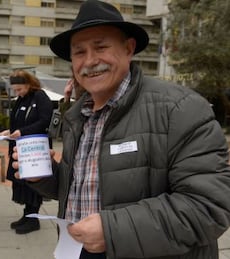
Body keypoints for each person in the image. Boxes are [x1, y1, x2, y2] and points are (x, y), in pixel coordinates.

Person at [12, 0, 230, 258]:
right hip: (77, 249)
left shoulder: (180, 109)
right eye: (79, 52)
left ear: (129, 48)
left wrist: (111, 231)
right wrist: (45, 176)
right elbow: (83, 187)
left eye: (101, 47)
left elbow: (209, 207)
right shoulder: (77, 116)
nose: (90, 61)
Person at [0, 69, 53, 234]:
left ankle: (33, 219)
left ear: (29, 84)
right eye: (15, 90)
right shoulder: (21, 99)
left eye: (20, 89)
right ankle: (27, 215)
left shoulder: (40, 97)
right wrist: (10, 131)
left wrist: (22, 132)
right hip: (20, 148)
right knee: (23, 183)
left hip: (34, 149)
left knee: (33, 184)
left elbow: (45, 120)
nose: (18, 93)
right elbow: (18, 123)